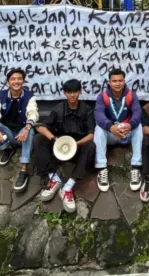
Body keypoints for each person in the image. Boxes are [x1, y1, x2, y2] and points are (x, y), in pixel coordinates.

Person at [33, 79, 96, 213]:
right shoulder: (59, 109)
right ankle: (54, 179)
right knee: (38, 139)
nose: (72, 95)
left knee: (91, 146)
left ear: (80, 92)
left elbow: (91, 134)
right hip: (59, 147)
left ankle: (68, 187)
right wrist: (54, 139)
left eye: (75, 92)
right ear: (65, 93)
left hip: (78, 147)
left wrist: (77, 144)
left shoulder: (86, 110)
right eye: (69, 92)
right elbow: (41, 127)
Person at [0, 67, 38, 191]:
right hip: (7, 132)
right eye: (13, 79)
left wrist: (27, 128)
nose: (16, 81)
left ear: (23, 81)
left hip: (21, 133)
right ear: (8, 81)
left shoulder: (29, 96)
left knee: (30, 130)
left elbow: (33, 113)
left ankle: (24, 169)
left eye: (19, 79)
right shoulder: (0, 96)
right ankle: (7, 148)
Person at [94, 68, 144, 192]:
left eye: (120, 81)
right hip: (111, 133)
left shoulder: (131, 95)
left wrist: (130, 125)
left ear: (124, 81)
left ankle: (136, 167)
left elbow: (137, 113)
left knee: (138, 127)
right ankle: (101, 168)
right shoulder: (103, 96)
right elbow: (98, 115)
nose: (117, 84)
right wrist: (110, 127)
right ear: (109, 82)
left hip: (127, 133)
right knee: (99, 128)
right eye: (114, 81)